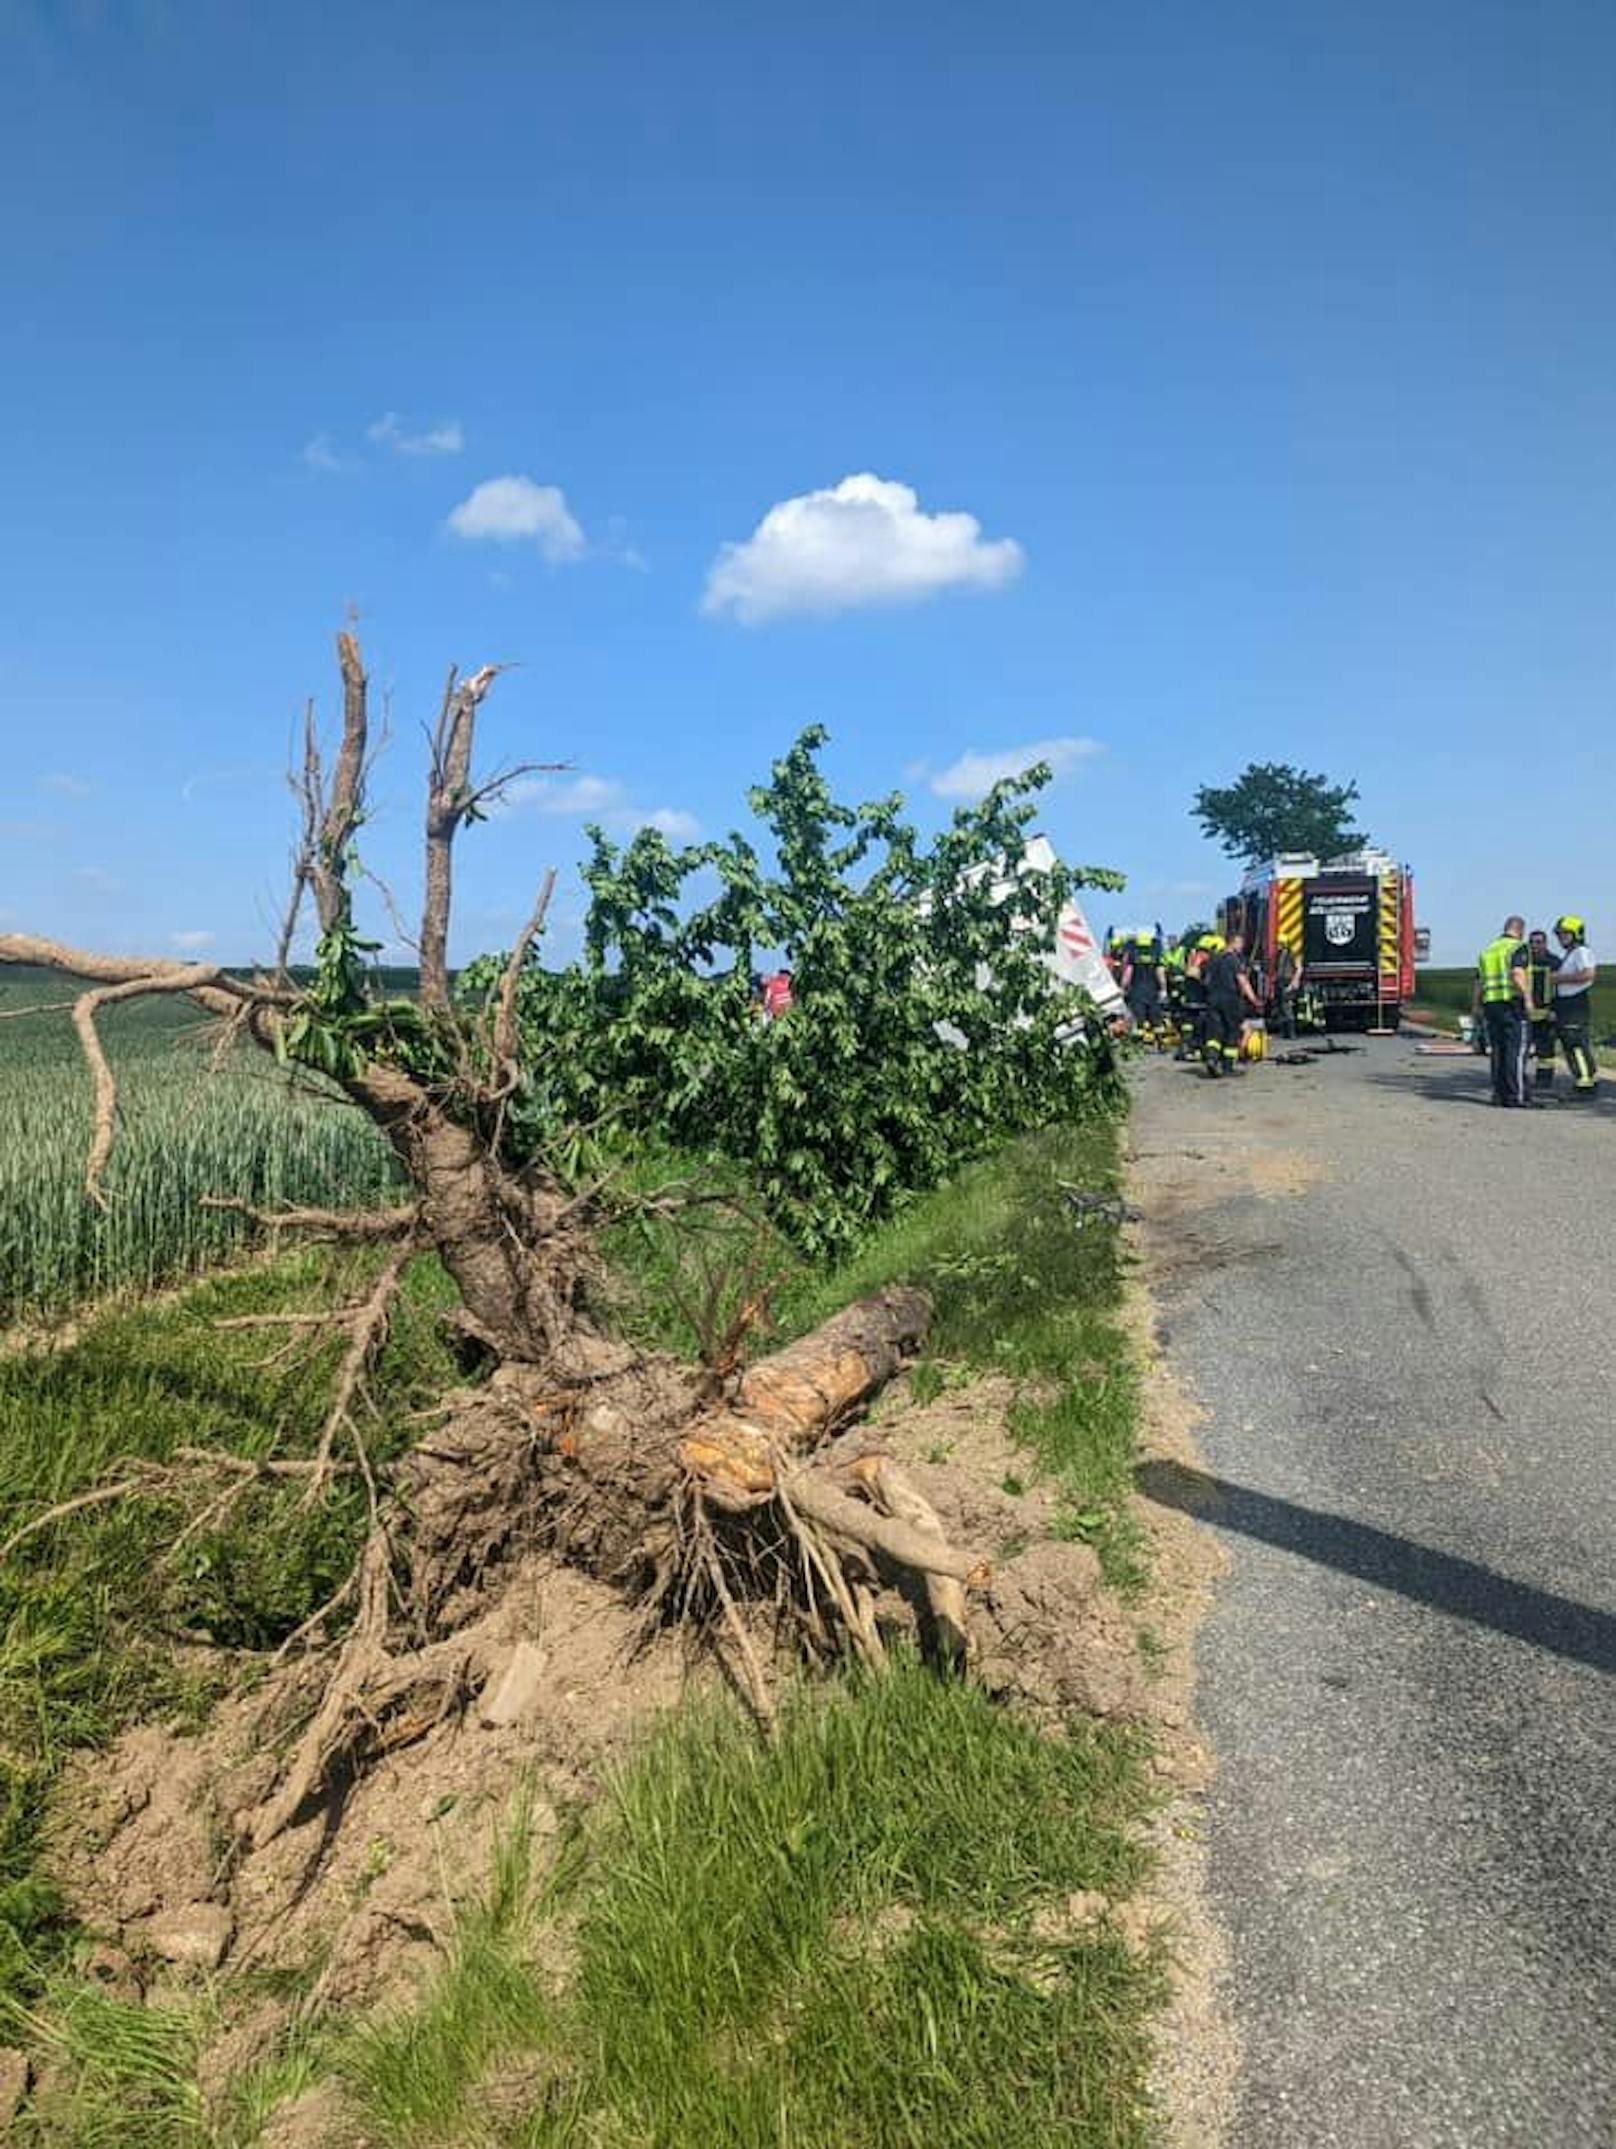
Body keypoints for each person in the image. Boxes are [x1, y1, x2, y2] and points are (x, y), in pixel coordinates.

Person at [1476, 916, 1536, 1107]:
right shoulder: (1517, 947)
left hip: (1491, 1005)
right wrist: (1527, 998)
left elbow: (1478, 982)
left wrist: (1475, 1007)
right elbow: (1517, 973)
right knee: (1516, 1051)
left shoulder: (1488, 950)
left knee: (1498, 1051)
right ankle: (1515, 1095)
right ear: (1521, 931)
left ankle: (1499, 1094)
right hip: (1512, 1004)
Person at [1202, 930, 1263, 1077]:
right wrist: (1254, 999)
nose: (1242, 947)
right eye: (1240, 943)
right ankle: (1228, 1068)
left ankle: (1211, 1059)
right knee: (1232, 1032)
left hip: (1213, 999)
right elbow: (1242, 980)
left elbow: (1205, 980)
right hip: (1230, 999)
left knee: (1215, 1033)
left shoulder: (1214, 959)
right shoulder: (1233, 959)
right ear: (1233, 942)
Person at [1551, 915, 1598, 1097]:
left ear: (1576, 934)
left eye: (1565, 934)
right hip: (1566, 1003)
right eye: (1559, 935)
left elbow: (1588, 974)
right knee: (1571, 1043)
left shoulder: (1581, 952)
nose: (1561, 938)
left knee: (1575, 1043)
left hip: (1574, 1004)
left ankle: (1585, 1083)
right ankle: (1584, 1079)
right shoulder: (1571, 954)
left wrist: (1559, 978)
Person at [1121, 934, 1165, 1045]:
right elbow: (1160, 974)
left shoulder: (1134, 956)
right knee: (1156, 1018)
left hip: (1137, 992)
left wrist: (1123, 988)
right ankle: (1160, 1042)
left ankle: (1139, 1044)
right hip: (1153, 991)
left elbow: (1127, 975)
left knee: (1139, 1019)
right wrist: (1164, 989)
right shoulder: (1155, 956)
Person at [1271, 938, 1304, 1040]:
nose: (1277, 946)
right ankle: (1284, 1032)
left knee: (1287, 1007)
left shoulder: (1292, 954)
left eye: (1279, 944)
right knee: (1281, 1008)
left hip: (1287, 982)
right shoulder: (1279, 955)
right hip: (1280, 982)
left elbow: (1299, 968)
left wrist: (1294, 982)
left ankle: (1292, 1033)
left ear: (1284, 943)